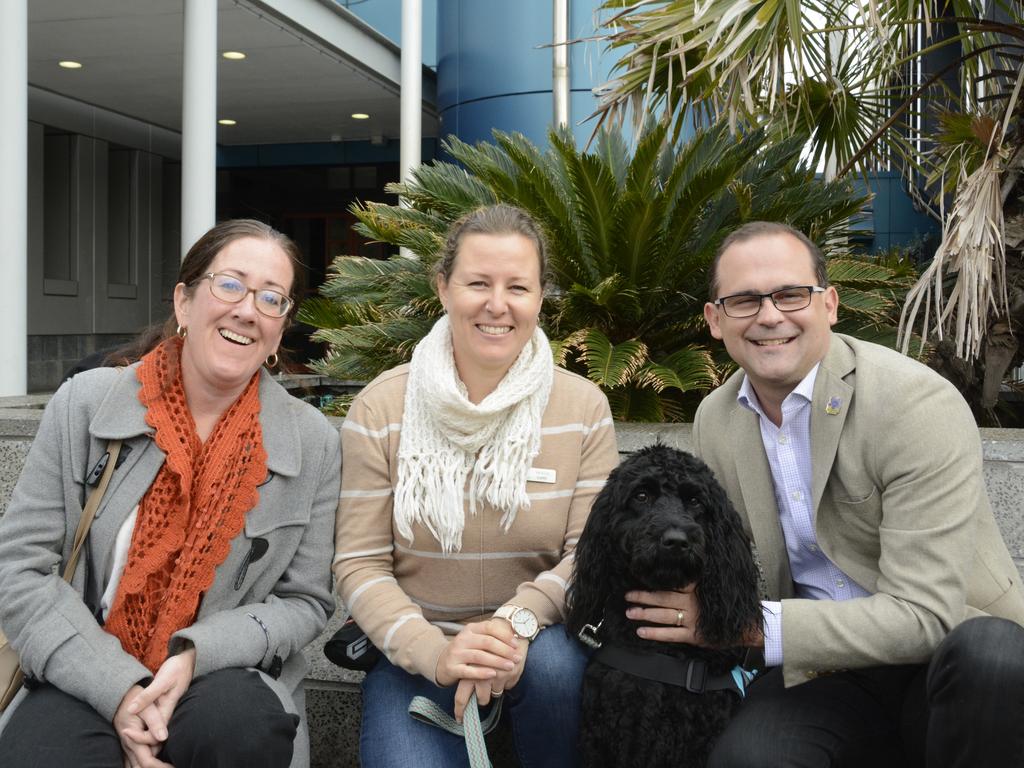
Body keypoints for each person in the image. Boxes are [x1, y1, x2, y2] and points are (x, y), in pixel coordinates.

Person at [625, 221, 1024, 767]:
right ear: (715, 321)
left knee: (996, 657)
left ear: (830, 305)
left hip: (954, 661)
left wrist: (743, 626)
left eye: (791, 294)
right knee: (750, 759)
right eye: (744, 300)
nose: (770, 316)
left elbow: (925, 616)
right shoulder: (715, 421)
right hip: (821, 668)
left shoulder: (913, 404)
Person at [0, 219, 341, 768]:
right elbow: (20, 569)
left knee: (239, 730)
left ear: (280, 330)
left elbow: (306, 602)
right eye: (229, 284)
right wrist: (120, 690)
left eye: (271, 299)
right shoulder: (84, 405)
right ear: (184, 302)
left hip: (224, 675)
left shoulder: (312, 444)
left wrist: (193, 653)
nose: (247, 310)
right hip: (82, 666)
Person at [334, 204, 618, 767]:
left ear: (540, 298)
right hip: (418, 650)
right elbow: (359, 563)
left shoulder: (583, 407)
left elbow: (592, 553)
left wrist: (513, 627)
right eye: (478, 283)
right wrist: (436, 654)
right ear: (443, 288)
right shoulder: (382, 406)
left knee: (556, 669)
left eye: (518, 286)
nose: (497, 304)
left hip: (542, 643)